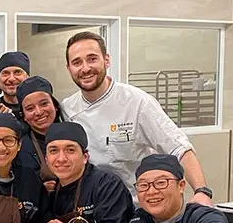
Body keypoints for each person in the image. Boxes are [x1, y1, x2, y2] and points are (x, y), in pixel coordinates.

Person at [61, 31, 213, 205]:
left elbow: (179, 148)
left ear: (107, 60)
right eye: (77, 62)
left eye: (92, 59)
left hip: (139, 207)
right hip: (95, 207)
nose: (85, 68)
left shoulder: (136, 102)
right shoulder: (68, 109)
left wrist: (202, 191)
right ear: (69, 68)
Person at [34, 122, 133, 223]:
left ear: (85, 157)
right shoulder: (52, 188)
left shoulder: (107, 185)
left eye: (70, 150)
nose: (61, 158)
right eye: (54, 151)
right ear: (46, 159)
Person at [16, 76, 63, 192]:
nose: (38, 112)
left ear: (55, 106)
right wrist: (38, 191)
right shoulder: (20, 147)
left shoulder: (72, 137)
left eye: (44, 104)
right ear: (24, 116)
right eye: (30, 108)